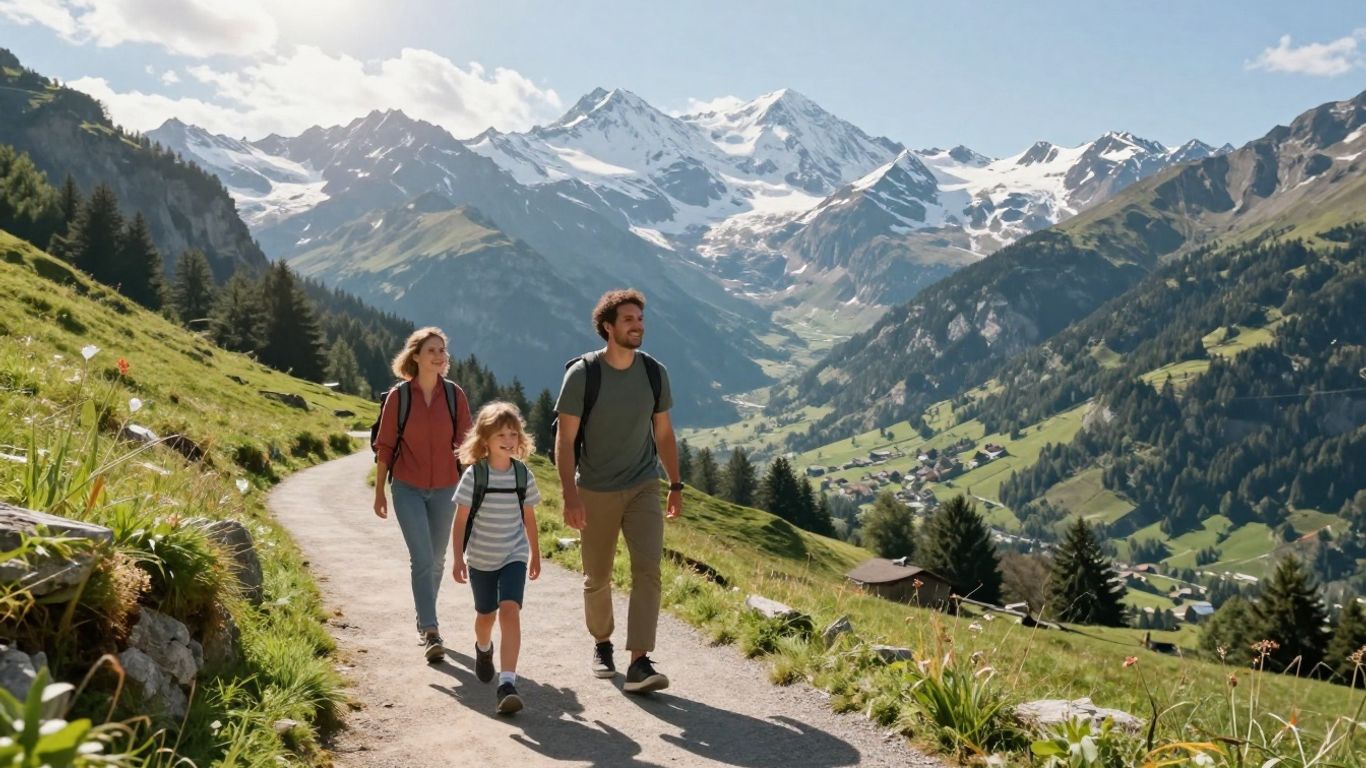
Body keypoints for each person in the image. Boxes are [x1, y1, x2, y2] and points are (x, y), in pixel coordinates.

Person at [554, 289, 683, 694]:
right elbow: (564, 439)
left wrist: (675, 484)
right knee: (598, 576)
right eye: (629, 319)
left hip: (643, 484)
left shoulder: (653, 372)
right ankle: (602, 643)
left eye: (641, 319)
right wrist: (570, 496)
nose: (638, 325)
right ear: (608, 327)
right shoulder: (583, 374)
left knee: (648, 570)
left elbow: (663, 432)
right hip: (594, 490)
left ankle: (640, 661)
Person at [372, 327, 472, 663]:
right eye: (432, 350)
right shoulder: (399, 398)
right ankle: (430, 629)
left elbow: (465, 446)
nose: (440, 356)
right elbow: (385, 447)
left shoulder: (454, 396)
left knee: (439, 558)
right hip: (407, 487)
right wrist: (379, 493)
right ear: (415, 356)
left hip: (446, 488)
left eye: (442, 350)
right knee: (423, 558)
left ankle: (423, 616)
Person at [451, 401, 542, 715]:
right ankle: (483, 648)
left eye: (513, 433)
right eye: (501, 434)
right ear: (485, 439)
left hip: (513, 554)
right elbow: (461, 520)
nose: (508, 439)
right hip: (480, 558)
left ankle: (507, 683)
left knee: (510, 612)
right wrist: (458, 559)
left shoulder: (522, 475)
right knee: (485, 617)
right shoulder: (475, 475)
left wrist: (534, 555)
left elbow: (529, 517)